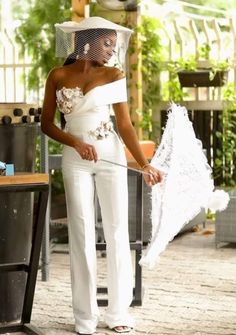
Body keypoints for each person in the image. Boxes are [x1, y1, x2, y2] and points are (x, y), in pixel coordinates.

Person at [41, 16, 162, 335]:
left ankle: (118, 312)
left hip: (109, 155)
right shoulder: (58, 75)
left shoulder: (115, 75)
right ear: (87, 42)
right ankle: (85, 317)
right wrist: (77, 143)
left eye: (113, 44)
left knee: (117, 231)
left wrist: (144, 164)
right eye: (106, 43)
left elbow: (124, 125)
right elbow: (47, 124)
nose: (111, 50)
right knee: (80, 234)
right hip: (75, 159)